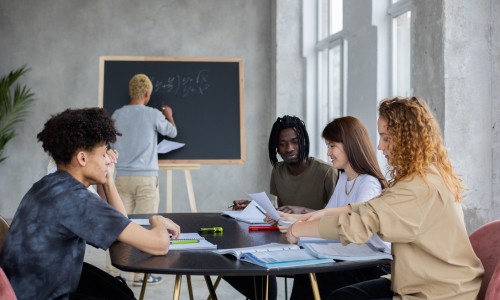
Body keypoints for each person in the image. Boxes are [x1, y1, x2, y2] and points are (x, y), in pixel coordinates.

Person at [286, 97, 484, 300]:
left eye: (386, 138)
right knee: (344, 295)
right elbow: (375, 207)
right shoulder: (424, 176)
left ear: (408, 140)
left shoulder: (417, 188)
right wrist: (325, 213)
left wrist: (297, 230)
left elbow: (360, 223)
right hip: (420, 280)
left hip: (439, 292)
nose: (380, 146)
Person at [0, 108, 181, 300]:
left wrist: (109, 180)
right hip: (40, 295)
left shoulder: (49, 185)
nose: (108, 160)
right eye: (104, 153)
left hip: (26, 284)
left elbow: (118, 227)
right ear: (82, 158)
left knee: (121, 292)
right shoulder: (75, 199)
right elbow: (159, 245)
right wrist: (157, 220)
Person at [109, 74, 177, 285]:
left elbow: (110, 143)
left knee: (118, 225)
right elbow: (172, 133)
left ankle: (113, 275)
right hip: (146, 178)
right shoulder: (152, 114)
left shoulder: (117, 114)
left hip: (121, 178)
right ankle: (139, 276)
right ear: (147, 94)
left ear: (130, 92)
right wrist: (170, 115)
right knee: (148, 225)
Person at [232, 115, 338, 214]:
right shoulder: (278, 170)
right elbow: (283, 212)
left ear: (304, 142)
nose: (289, 149)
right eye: (282, 144)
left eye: (295, 142)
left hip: (318, 232)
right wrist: (253, 207)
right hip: (287, 231)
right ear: (276, 147)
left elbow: (339, 215)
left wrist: (302, 211)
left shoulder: (327, 172)